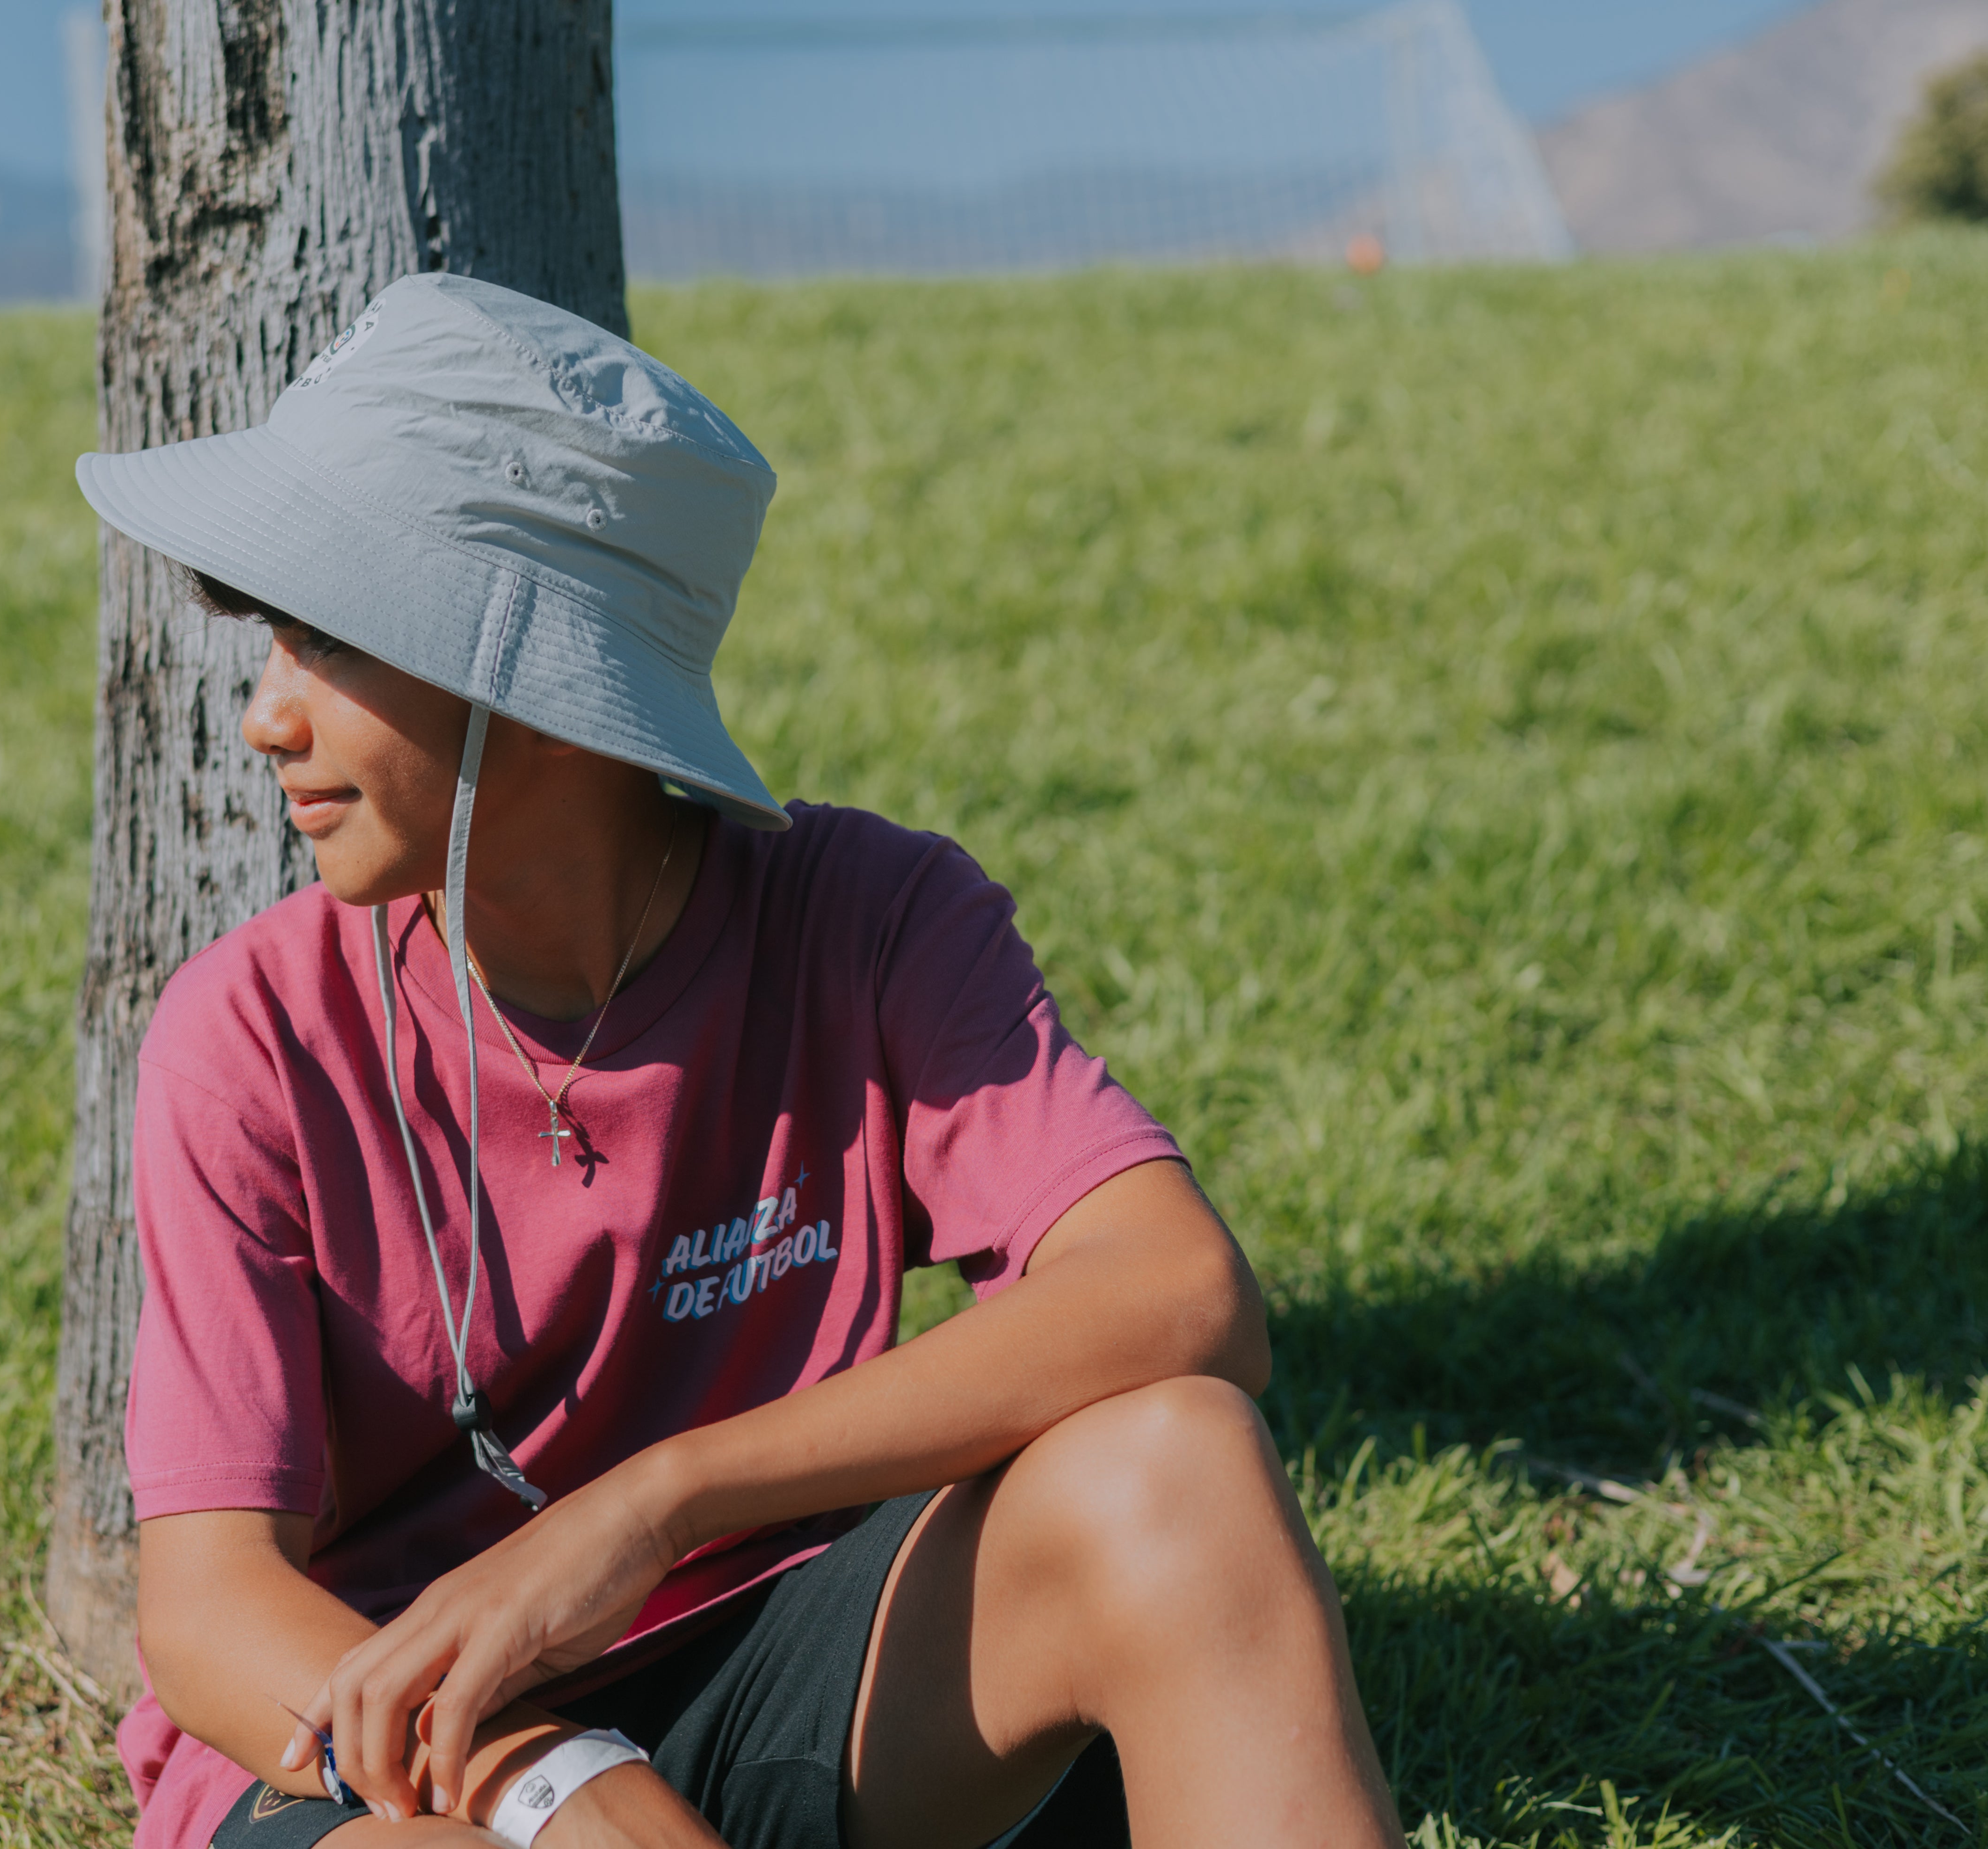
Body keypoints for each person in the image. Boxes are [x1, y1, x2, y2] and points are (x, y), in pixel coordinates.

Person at [77, 273, 1402, 1849]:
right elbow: (209, 1604)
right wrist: (558, 1781)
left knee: (1179, 1467)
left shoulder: (871, 917)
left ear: (546, 698)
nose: (262, 718)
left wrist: (654, 1506)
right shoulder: (251, 1033)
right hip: (394, 1750)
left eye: (328, 644)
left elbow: (1180, 1295)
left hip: (786, 1658)